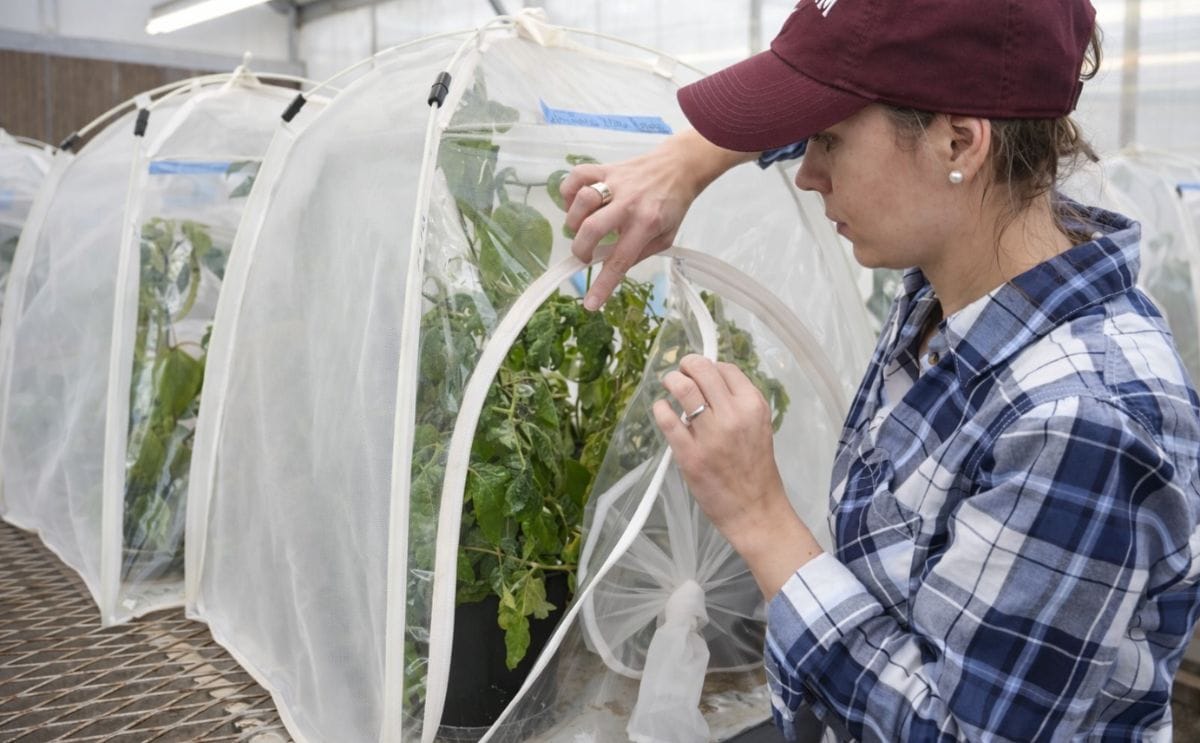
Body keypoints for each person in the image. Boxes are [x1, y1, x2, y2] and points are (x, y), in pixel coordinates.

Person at [560, 1, 1200, 741]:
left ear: (960, 141)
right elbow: (871, 120)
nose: (807, 172)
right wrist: (687, 163)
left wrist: (759, 514)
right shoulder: (970, 269)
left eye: (827, 140)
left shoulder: (1082, 423)